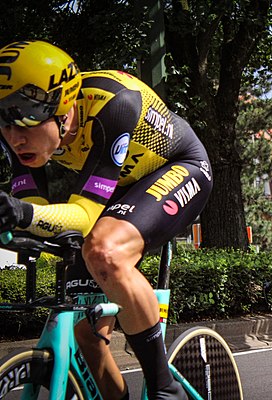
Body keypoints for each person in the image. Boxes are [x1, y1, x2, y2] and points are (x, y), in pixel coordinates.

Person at [0, 40, 213, 400]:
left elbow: (81, 218)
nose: (14, 138)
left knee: (105, 250)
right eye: (4, 123)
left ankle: (166, 387)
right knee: (86, 331)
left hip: (178, 166)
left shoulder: (113, 104)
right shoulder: (18, 134)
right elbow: (34, 215)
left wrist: (23, 213)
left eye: (25, 123)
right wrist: (20, 217)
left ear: (63, 109)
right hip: (114, 184)